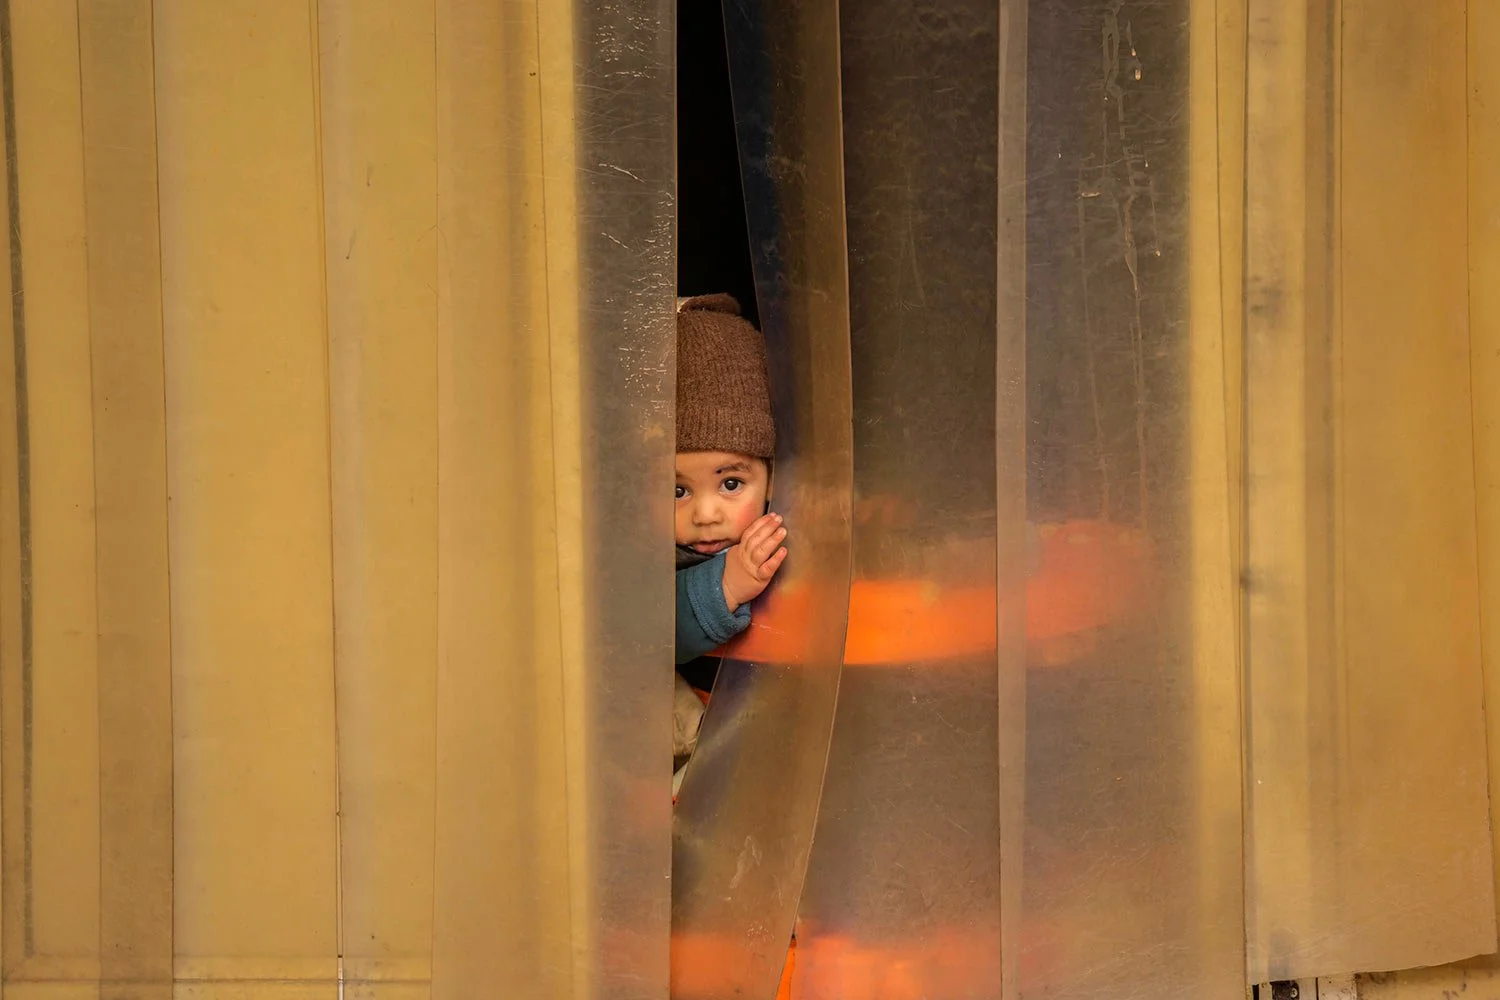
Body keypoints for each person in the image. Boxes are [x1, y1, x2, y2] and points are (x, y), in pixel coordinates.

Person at [672, 294, 786, 791]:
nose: (704, 513)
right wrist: (727, 583)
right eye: (675, 490)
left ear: (772, 476)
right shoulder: (637, 554)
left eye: (731, 483)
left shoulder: (778, 518)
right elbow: (644, 633)